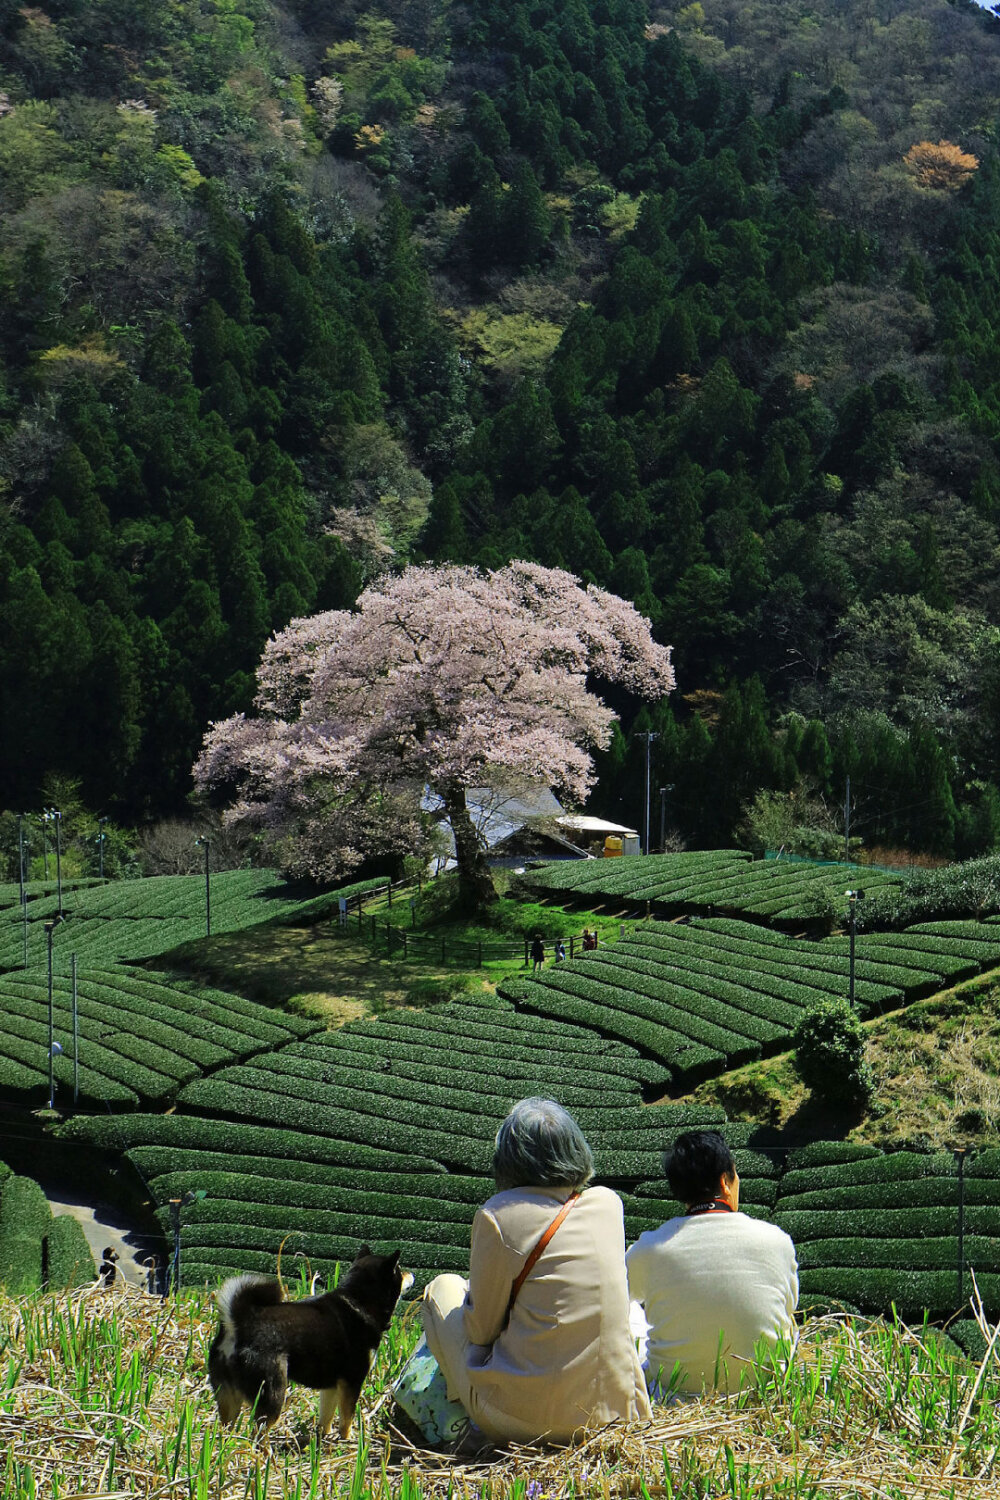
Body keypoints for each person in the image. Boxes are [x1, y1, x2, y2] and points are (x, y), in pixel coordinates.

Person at [422, 1098, 652, 1445]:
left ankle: (466, 1413)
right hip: (612, 1415)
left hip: (526, 1421)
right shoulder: (608, 1204)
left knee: (441, 1289)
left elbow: (481, 1330)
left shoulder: (498, 1215)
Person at [626, 1130, 797, 1399]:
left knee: (628, 1311)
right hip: (762, 1395)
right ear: (725, 1182)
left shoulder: (649, 1248)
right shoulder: (777, 1240)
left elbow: (616, 1298)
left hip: (675, 1399)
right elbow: (787, 1313)